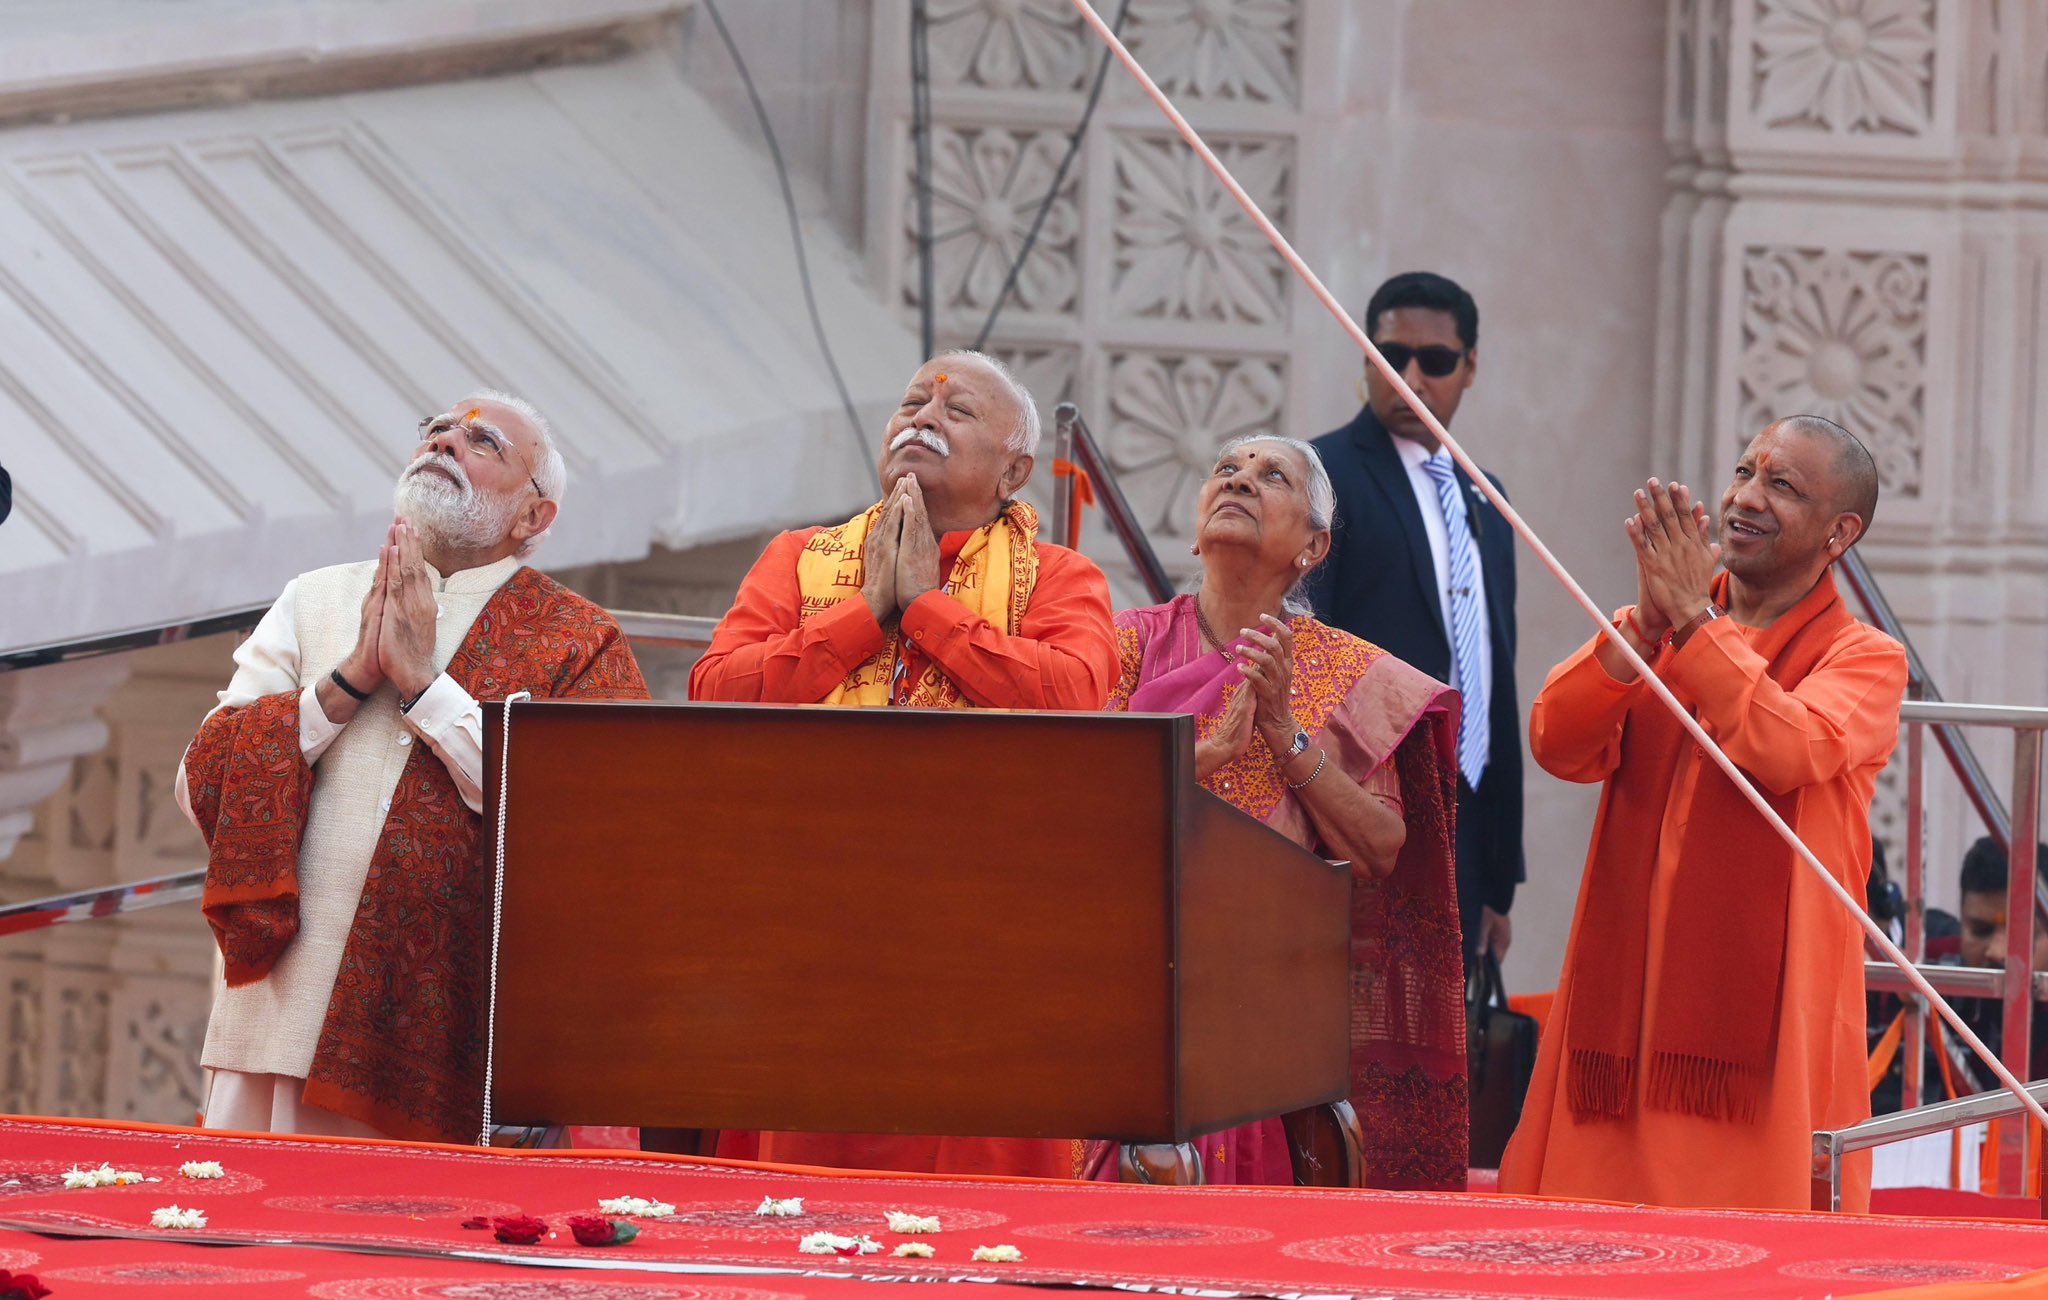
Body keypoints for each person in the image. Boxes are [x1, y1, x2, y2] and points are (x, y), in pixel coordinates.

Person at [178, 393, 648, 1144]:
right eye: (435, 431)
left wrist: (427, 688)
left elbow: (588, 824)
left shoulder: (579, 640)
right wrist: (350, 681)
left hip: (445, 1035)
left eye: (482, 442)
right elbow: (202, 775)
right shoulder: (317, 598)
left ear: (534, 517)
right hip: (280, 1008)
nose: (444, 444)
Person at [693, 350, 1118, 1176]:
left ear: (1015, 471)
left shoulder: (1062, 577)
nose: (923, 417)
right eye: (913, 402)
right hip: (810, 914)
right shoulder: (801, 557)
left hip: (987, 926)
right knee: (805, 1188)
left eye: (957, 413)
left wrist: (926, 608)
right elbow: (716, 693)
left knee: (981, 1195)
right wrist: (865, 613)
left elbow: (1073, 697)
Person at [1499, 415, 1907, 1212]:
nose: (1746, 498)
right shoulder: (1663, 629)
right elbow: (1557, 739)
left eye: (1782, 486)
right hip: (1621, 1019)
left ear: (1839, 533)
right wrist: (1650, 627)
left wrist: (1691, 622)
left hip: (1762, 1032)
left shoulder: (1864, 657)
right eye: (1746, 472)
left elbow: (1785, 748)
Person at [1101, 435, 1467, 1188]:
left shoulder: (1350, 673)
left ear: (1314, 544)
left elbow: (1381, 849)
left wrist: (1285, 735)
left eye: (1273, 478)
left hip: (1263, 1004)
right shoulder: (1122, 646)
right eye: (1227, 471)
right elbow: (1072, 804)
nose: (1240, 482)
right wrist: (1196, 763)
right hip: (1123, 986)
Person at [1306, 272, 1521, 969]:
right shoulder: (1320, 472)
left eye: (1435, 361)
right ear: (1366, 358)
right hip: (1361, 816)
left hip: (1466, 822)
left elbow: (1493, 673)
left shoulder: (1485, 496)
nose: (1410, 377)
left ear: (1470, 367)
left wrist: (1501, 875)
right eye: (1390, 354)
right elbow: (1306, 653)